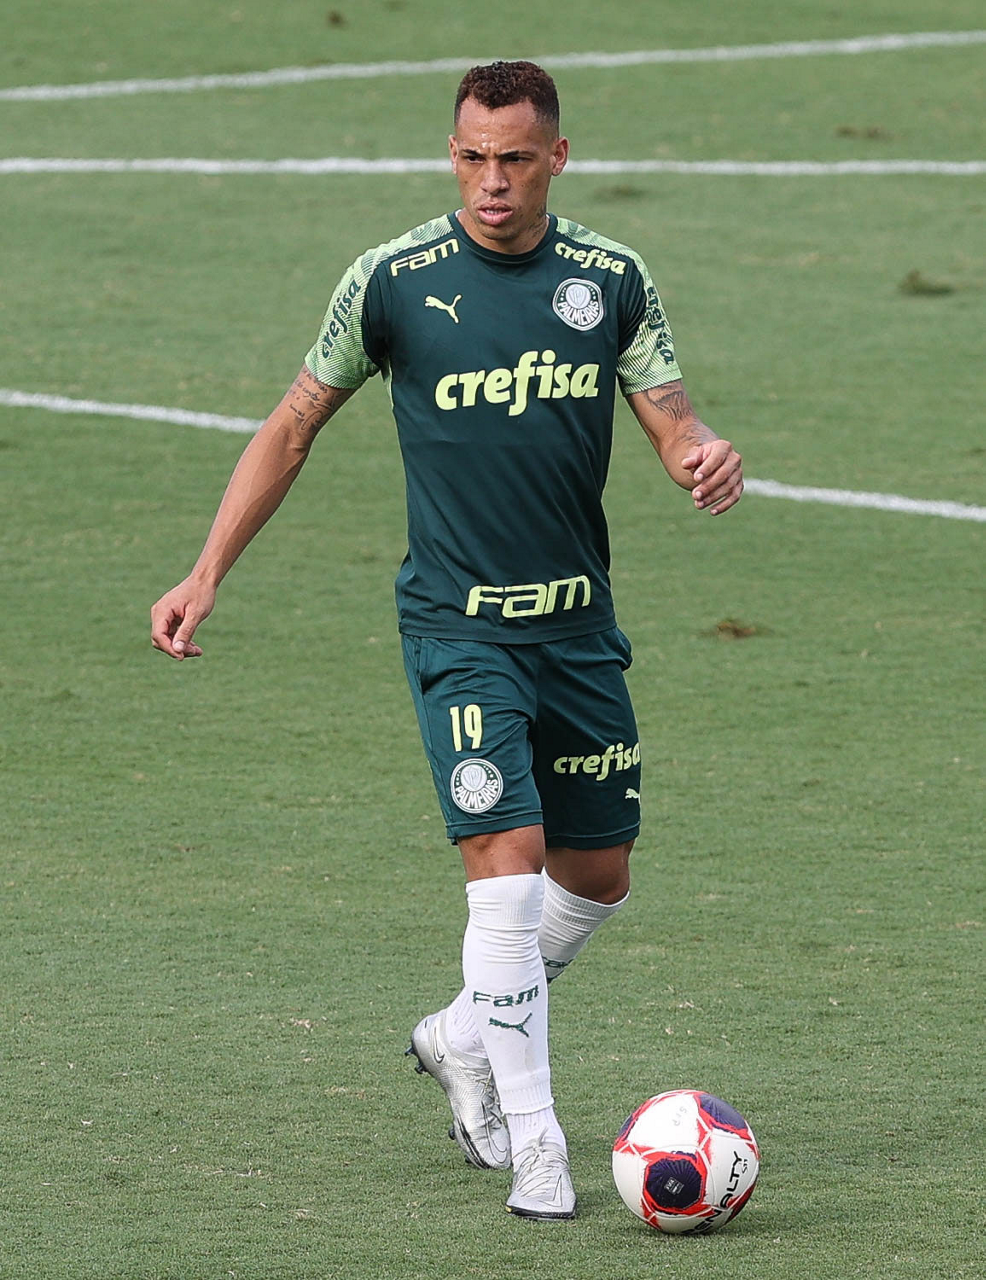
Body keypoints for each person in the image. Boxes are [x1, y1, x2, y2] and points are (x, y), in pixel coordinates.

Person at [150, 60, 743, 1220]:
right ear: (452, 154)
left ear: (556, 157)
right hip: (457, 627)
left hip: (576, 625)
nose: (490, 181)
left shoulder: (609, 279)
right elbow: (292, 425)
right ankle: (537, 1144)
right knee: (504, 871)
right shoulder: (392, 281)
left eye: (514, 158)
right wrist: (206, 570)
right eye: (471, 156)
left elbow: (671, 419)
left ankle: (464, 1032)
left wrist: (700, 456)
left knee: (596, 874)